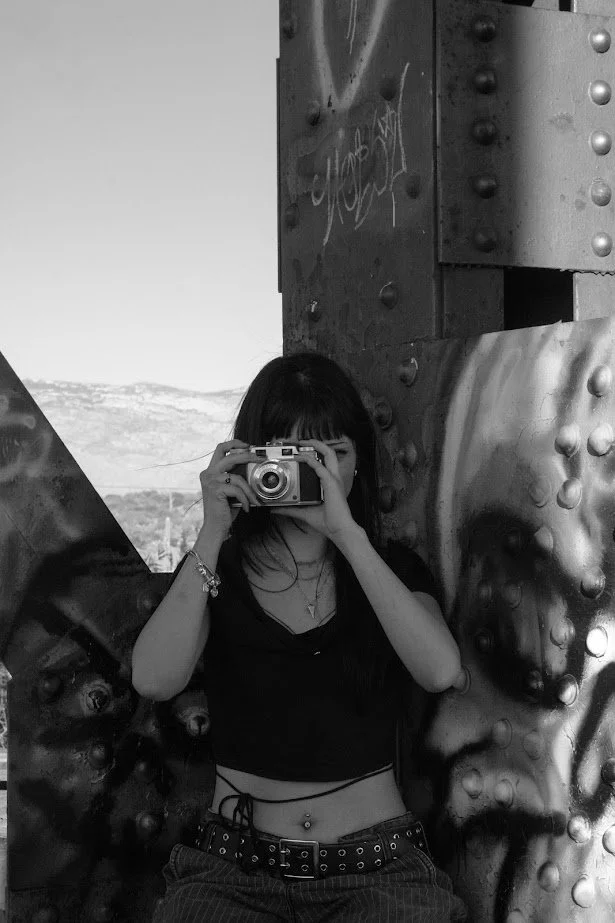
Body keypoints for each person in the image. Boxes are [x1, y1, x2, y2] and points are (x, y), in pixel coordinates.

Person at [132, 352, 468, 922]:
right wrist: (212, 533)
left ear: (360, 462)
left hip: (377, 872)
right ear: (251, 460)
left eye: (330, 456)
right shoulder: (219, 571)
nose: (311, 475)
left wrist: (348, 535)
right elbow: (153, 679)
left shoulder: (388, 570)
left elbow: (440, 670)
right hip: (233, 872)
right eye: (287, 456)